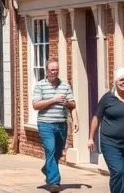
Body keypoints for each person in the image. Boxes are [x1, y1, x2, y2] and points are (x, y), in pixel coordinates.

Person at [87, 67, 124, 193]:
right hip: (110, 144)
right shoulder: (107, 99)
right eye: (121, 80)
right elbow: (96, 117)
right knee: (117, 172)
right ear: (116, 81)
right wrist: (91, 138)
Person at [32, 59, 78, 192]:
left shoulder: (65, 85)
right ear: (47, 71)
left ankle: (47, 168)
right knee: (50, 149)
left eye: (56, 70)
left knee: (58, 152)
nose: (54, 72)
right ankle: (54, 182)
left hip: (61, 124)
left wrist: (74, 119)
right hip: (45, 124)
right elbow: (35, 105)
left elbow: (73, 104)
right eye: (52, 70)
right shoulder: (40, 85)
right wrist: (53, 100)